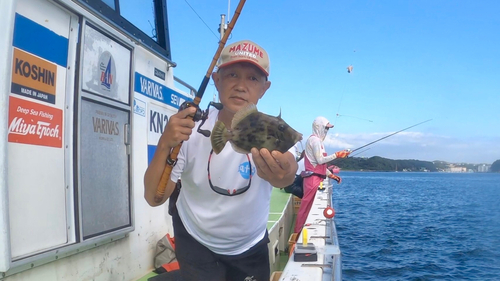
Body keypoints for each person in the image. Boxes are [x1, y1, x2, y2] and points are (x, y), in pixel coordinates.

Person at [144, 40, 298, 281]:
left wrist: (284, 173)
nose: (240, 85)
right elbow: (155, 197)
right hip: (196, 241)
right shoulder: (190, 129)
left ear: (264, 88)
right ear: (217, 80)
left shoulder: (273, 130)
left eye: (253, 79)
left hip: (250, 246)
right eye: (232, 75)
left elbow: (288, 170)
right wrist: (165, 143)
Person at [293, 116, 350, 234]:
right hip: (312, 179)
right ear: (319, 127)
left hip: (316, 177)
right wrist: (337, 155)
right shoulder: (315, 141)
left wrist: (331, 175)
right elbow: (320, 160)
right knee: (306, 207)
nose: (326, 131)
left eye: (328, 129)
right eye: (325, 128)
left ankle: (301, 231)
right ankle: (298, 233)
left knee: (308, 206)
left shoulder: (317, 141)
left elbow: (320, 166)